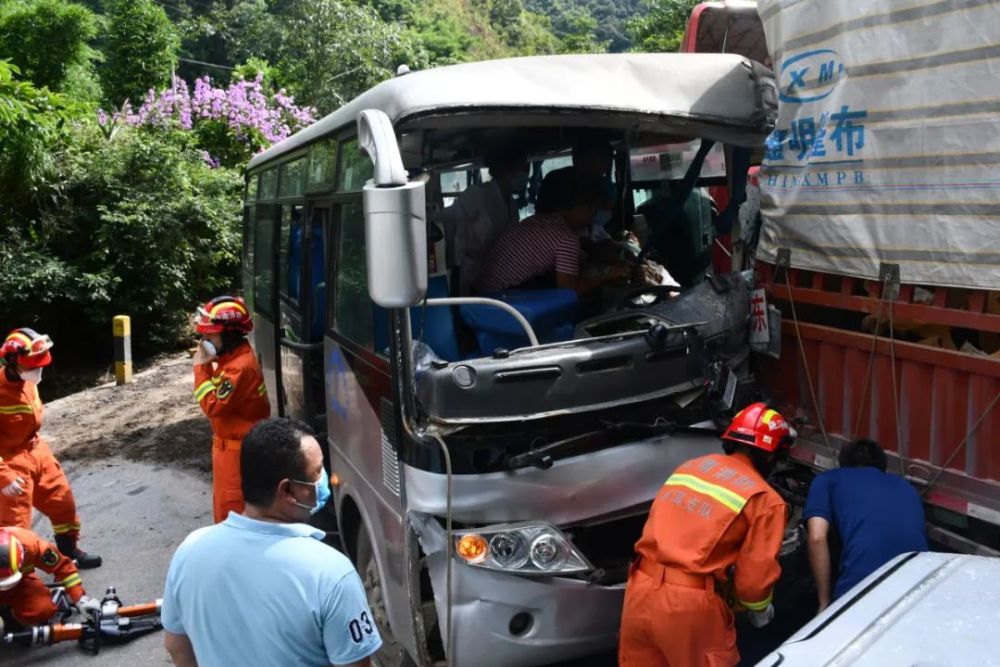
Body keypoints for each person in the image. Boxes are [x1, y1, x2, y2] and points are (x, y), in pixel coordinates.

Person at [162, 418, 381, 667]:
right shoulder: (331, 573)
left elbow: (177, 648)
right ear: (287, 490)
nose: (324, 479)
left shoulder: (190, 552)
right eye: (318, 471)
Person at [619, 402, 793, 667]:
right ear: (771, 456)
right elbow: (754, 580)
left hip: (640, 588)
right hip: (688, 605)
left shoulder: (690, 468)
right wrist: (760, 610)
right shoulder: (766, 500)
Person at [0, 328, 101, 569]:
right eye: (34, 366)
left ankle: (69, 550)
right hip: (10, 460)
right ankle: (18, 578)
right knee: (16, 524)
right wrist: (4, 476)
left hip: (37, 451)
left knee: (62, 503)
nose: (39, 371)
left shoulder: (28, 382)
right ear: (13, 363)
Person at [805, 438, 928, 612]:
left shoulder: (828, 479)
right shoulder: (905, 485)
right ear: (882, 465)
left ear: (843, 464)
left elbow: (817, 538)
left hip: (861, 587)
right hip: (920, 586)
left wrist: (824, 602)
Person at [477, 168, 629, 295]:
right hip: (505, 302)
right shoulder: (566, 239)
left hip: (484, 292)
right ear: (584, 209)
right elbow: (569, 293)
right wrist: (606, 276)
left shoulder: (539, 220)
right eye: (594, 213)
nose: (594, 220)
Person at [192, 295, 270, 523]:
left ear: (229, 334)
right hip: (228, 449)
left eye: (210, 334)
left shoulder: (239, 367)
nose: (204, 340)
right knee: (224, 509)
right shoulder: (231, 360)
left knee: (232, 514)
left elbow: (212, 405)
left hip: (237, 454)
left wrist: (200, 367)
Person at [436, 144, 530, 294]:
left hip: (498, 272)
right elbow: (445, 219)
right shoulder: (478, 195)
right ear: (506, 170)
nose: (526, 175)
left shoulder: (511, 204)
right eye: (523, 169)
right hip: (469, 269)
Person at [0, 525, 100, 625]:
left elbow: (62, 567)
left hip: (20, 582)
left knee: (42, 610)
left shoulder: (32, 546)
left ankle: (12, 616)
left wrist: (80, 598)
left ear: (22, 554)